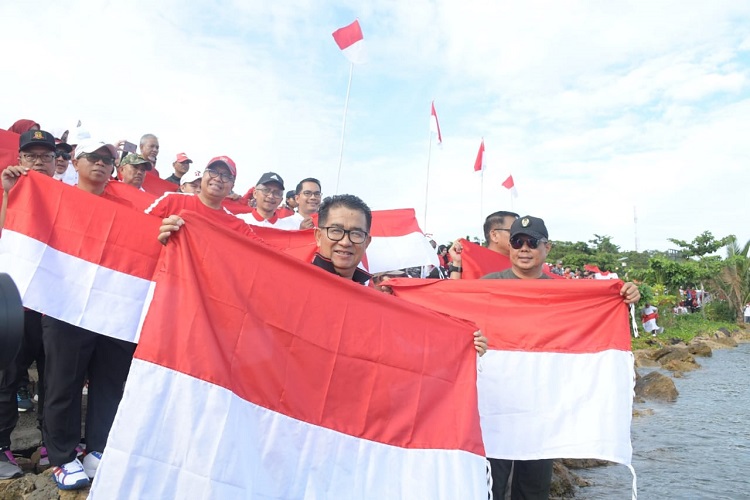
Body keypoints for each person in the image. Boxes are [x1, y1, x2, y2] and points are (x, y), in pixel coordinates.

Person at [1, 138, 138, 490]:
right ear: (75, 162)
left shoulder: (131, 206)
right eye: (92, 157)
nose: (100, 164)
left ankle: (98, 449)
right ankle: (62, 456)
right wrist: (12, 194)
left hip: (114, 307)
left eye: (108, 159)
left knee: (108, 383)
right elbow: (15, 231)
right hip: (64, 305)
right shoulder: (51, 195)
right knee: (63, 382)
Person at [481, 215, 640, 500]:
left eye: (532, 242)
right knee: (488, 484)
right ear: (510, 247)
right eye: (517, 242)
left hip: (543, 406)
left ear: (547, 248)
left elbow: (592, 320)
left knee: (533, 488)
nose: (524, 249)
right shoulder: (486, 287)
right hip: (495, 401)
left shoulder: (563, 291)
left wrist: (624, 294)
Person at [313, 195, 487, 355]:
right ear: (319, 236)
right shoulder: (292, 290)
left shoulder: (375, 301)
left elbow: (406, 353)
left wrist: (461, 344)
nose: (345, 242)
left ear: (367, 242)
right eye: (335, 231)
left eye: (356, 234)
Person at [0, 129, 59, 480]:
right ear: (20, 160)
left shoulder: (68, 197)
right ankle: (1, 447)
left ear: (55, 163)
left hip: (53, 307)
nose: (38, 161)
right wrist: (8, 194)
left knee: (55, 382)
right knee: (7, 381)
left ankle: (52, 446)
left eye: (45, 156)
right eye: (31, 155)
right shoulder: (7, 192)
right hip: (13, 306)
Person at [152, 156, 261, 244]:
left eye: (226, 176)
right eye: (213, 171)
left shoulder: (238, 226)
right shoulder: (171, 200)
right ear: (203, 176)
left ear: (232, 186)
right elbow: (140, 224)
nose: (218, 178)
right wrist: (160, 231)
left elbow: (265, 253)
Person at [448, 210, 519, 279]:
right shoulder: (473, 262)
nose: (519, 236)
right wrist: (457, 262)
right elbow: (454, 289)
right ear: (494, 235)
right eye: (513, 231)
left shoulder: (524, 262)